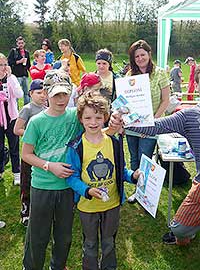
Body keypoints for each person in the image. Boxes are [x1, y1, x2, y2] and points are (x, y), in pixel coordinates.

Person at [21, 70, 116, 270]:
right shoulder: (36, 122)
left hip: (67, 187)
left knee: (64, 236)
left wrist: (113, 124)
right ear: (46, 94)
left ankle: (58, 265)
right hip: (43, 186)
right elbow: (26, 154)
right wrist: (50, 166)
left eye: (65, 94)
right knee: (38, 235)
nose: (61, 99)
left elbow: (95, 132)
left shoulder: (75, 116)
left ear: (71, 92)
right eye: (56, 95)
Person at [110, 65, 200, 246]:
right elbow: (156, 126)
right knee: (179, 231)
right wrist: (124, 125)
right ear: (196, 86)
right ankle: (186, 231)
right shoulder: (190, 115)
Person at [66, 92, 140, 270]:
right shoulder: (76, 146)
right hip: (88, 206)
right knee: (90, 243)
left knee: (109, 241)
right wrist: (87, 190)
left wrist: (133, 176)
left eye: (98, 117)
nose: (93, 122)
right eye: (88, 117)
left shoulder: (113, 143)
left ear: (105, 117)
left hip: (112, 204)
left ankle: (109, 267)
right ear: (81, 119)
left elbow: (120, 170)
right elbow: (71, 176)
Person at [125, 40, 170, 203]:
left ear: (149, 55)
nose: (140, 58)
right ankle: (138, 191)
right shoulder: (130, 75)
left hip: (151, 126)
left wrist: (153, 122)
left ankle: (146, 193)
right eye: (136, 56)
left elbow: (166, 100)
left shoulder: (159, 73)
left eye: (143, 54)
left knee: (145, 158)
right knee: (134, 159)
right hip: (132, 126)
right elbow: (125, 101)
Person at [14, 79, 46, 227]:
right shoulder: (27, 109)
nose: (42, 95)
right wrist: (33, 133)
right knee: (26, 183)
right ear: (31, 93)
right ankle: (25, 212)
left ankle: (40, 211)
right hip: (29, 153)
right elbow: (17, 129)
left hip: (43, 153)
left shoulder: (47, 108)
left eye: (45, 92)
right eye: (39, 93)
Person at [0, 53, 23, 185]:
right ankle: (1, 169)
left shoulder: (11, 78)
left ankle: (17, 173)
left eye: (5, 64)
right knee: (0, 147)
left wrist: (9, 78)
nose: (3, 67)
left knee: (14, 146)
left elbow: (19, 94)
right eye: (0, 65)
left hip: (11, 117)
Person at [8, 36, 31, 105]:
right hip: (17, 75)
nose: (21, 44)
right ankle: (15, 109)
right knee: (16, 93)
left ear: (24, 43)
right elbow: (9, 62)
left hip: (25, 75)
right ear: (17, 44)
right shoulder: (13, 51)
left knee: (26, 93)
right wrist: (19, 61)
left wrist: (31, 72)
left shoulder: (26, 52)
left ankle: (26, 108)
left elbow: (29, 64)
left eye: (22, 43)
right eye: (19, 43)